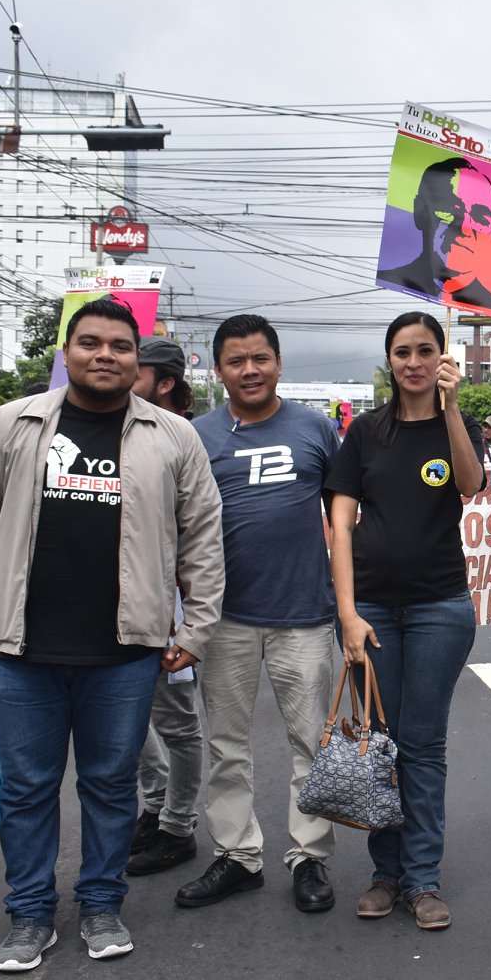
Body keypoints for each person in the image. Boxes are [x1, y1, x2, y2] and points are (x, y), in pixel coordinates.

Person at [0, 296, 224, 973]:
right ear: (66, 353)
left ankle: (102, 903)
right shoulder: (14, 425)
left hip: (125, 649)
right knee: (28, 786)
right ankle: (30, 913)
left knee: (108, 785)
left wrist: (200, 627)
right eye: (91, 343)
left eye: (120, 346)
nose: (105, 354)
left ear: (138, 361)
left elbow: (203, 537)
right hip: (22, 647)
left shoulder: (172, 437)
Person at [175, 315, 342, 915]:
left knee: (309, 743)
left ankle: (309, 857)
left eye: (261, 358)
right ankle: (238, 856)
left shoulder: (317, 429)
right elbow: (176, 527)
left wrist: (348, 608)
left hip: (304, 615)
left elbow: (344, 523)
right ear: (217, 370)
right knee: (227, 745)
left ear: (278, 362)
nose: (251, 370)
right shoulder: (193, 437)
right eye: (237, 361)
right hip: (223, 619)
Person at [327, 311, 483, 930]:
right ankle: (383, 873)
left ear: (442, 357)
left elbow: (470, 485)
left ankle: (422, 879)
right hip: (371, 612)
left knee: (423, 746)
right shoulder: (366, 432)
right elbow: (340, 523)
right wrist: (346, 613)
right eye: (402, 352)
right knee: (378, 746)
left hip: (441, 609)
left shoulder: (457, 426)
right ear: (388, 361)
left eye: (425, 351)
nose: (414, 362)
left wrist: (451, 407)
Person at [124, 336, 204, 878]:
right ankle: (154, 806)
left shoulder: (185, 441)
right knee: (131, 721)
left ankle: (179, 825)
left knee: (178, 725)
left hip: (171, 607)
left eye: (137, 370)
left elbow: (200, 537)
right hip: (122, 605)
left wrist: (193, 620)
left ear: (164, 382)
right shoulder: (120, 434)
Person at [376, 156, 491, 311]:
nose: (464, 227)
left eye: (481, 218)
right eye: (449, 209)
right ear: (420, 212)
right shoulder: (391, 280)